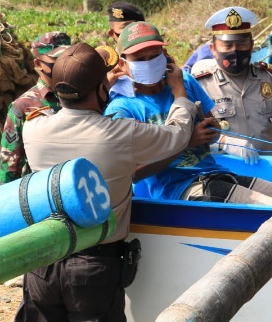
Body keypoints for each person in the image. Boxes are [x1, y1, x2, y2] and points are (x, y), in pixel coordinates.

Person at [16, 43, 196, 321]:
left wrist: (100, 84)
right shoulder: (122, 135)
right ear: (102, 89)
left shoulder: (33, 127)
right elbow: (179, 134)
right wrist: (179, 92)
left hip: (43, 259)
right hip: (95, 266)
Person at [106, 20, 272, 206]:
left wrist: (213, 132)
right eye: (139, 59)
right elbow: (132, 173)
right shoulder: (123, 109)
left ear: (164, 54)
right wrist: (185, 142)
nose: (148, 63)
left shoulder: (185, 82)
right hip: (181, 189)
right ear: (123, 64)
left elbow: (212, 125)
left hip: (216, 173)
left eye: (154, 56)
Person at [194, 6, 272, 161]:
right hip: (223, 177)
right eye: (227, 45)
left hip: (268, 177)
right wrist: (224, 143)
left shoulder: (270, 80)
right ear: (213, 49)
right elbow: (190, 137)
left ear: (252, 45)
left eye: (241, 44)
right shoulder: (199, 85)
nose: (235, 51)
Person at [0, 31, 71, 184]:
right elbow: (10, 165)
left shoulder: (82, 94)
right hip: (40, 189)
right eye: (57, 59)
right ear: (38, 64)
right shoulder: (23, 106)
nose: (65, 64)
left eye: (68, 58)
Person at [107, 1, 145, 84]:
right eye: (125, 31)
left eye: (135, 30)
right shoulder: (106, 65)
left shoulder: (158, 57)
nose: (131, 36)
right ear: (112, 34)